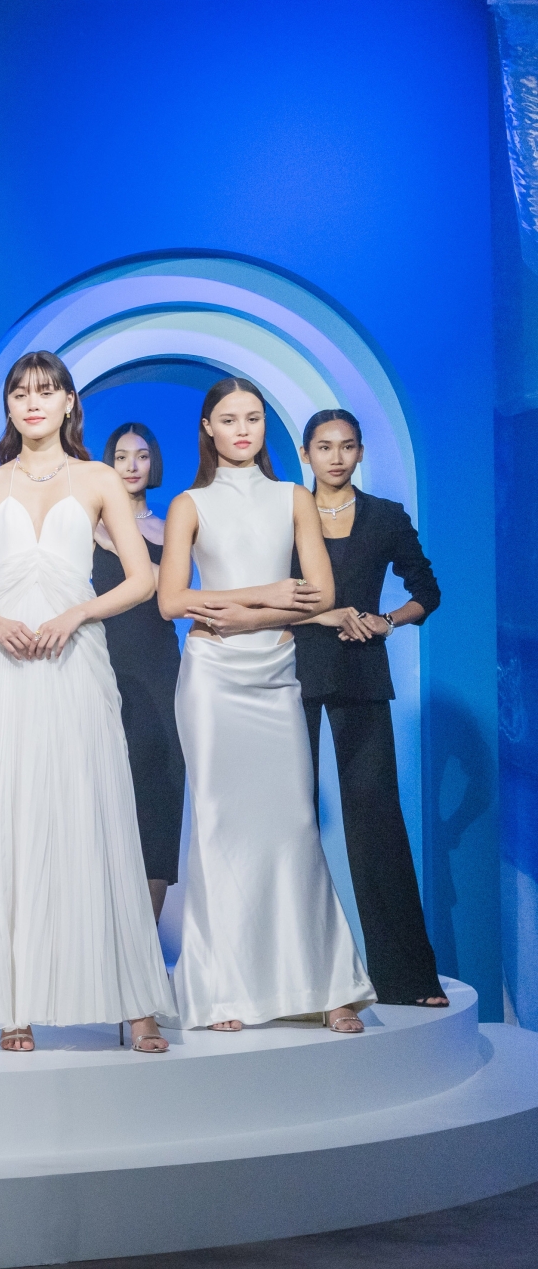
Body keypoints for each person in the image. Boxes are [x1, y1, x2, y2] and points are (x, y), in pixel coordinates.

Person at [0, 351, 174, 1053]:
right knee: (2, 815)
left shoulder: (99, 478)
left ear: (68, 402)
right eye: (20, 392)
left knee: (90, 809)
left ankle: (133, 1000)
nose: (32, 403)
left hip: (72, 655)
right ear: (9, 405)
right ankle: (10, 1001)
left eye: (46, 392)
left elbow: (142, 580)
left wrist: (77, 614)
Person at [161, 378, 373, 1033]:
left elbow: (322, 595)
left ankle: (327, 986)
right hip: (211, 679)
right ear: (208, 428)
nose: (243, 429)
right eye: (229, 419)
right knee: (219, 829)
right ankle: (221, 990)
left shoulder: (293, 498)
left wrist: (242, 610)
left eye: (253, 418)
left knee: (294, 826)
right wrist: (267, 594)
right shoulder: (189, 504)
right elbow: (172, 601)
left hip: (275, 674)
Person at [295, 409, 446, 1006]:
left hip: (361, 673)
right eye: (324, 446)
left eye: (347, 446)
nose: (336, 457)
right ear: (306, 454)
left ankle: (406, 978)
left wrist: (387, 621)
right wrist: (320, 616)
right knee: (290, 820)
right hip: (290, 674)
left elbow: (427, 591)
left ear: (360, 453)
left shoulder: (385, 516)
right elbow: (268, 597)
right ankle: (300, 980)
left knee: (376, 821)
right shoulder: (287, 513)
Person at [92, 422, 185, 917]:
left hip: (158, 665)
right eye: (122, 456)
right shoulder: (85, 524)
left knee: (160, 785)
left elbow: (174, 596)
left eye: (142, 455)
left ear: (154, 464)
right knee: (100, 788)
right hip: (99, 663)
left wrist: (117, 542)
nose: (132, 465)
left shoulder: (170, 528)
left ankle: (147, 940)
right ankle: (103, 936)